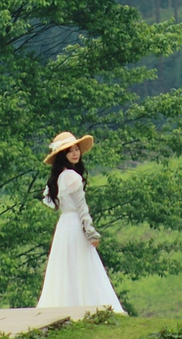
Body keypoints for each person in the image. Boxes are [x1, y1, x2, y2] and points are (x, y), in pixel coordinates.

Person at [36, 131, 126, 313]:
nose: (75, 153)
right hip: (75, 224)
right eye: (70, 151)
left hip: (64, 226)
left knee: (66, 267)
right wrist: (91, 232)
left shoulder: (59, 178)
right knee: (83, 266)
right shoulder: (72, 177)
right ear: (63, 156)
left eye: (77, 149)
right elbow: (82, 208)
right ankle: (89, 306)